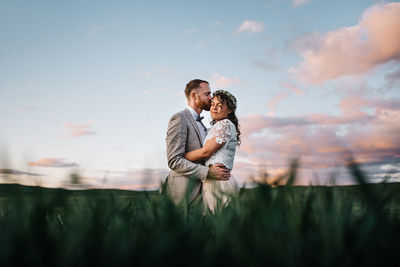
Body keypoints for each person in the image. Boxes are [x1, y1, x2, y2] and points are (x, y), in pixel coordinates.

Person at [165, 79, 230, 206]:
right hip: (182, 193)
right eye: (207, 94)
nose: (211, 98)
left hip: (202, 195)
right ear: (194, 96)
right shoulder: (179, 118)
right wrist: (207, 173)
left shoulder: (204, 126)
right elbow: (174, 160)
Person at [185, 90, 241, 213]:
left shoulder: (225, 124)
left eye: (219, 105)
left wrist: (182, 157)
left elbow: (206, 152)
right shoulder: (214, 127)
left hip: (220, 182)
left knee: (220, 224)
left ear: (229, 110)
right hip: (212, 180)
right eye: (212, 104)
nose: (214, 108)